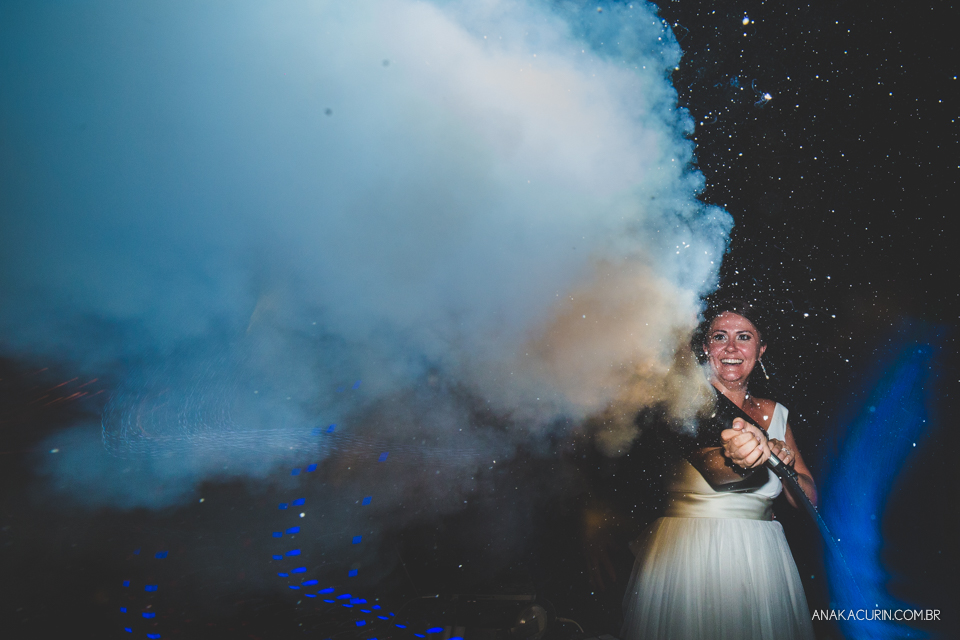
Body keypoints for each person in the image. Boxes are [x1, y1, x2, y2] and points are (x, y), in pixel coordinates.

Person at [620, 300, 817, 640]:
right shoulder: (681, 400)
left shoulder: (776, 412)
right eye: (719, 336)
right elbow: (719, 471)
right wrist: (744, 456)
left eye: (744, 337)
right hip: (691, 553)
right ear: (705, 346)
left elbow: (809, 500)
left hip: (763, 558)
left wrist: (786, 468)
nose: (731, 348)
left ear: (761, 349)